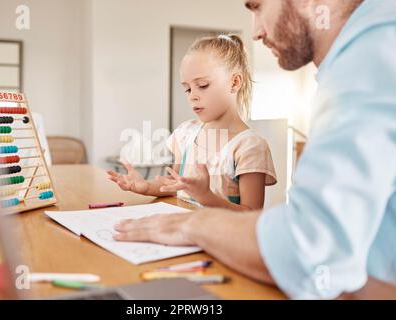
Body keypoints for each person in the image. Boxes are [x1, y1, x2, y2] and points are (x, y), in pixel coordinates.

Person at [112, 0, 396, 299]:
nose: (256, 32)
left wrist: (195, 222)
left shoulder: (372, 58)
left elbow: (306, 251)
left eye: (258, 6)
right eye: (187, 88)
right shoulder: (359, 59)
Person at [108, 34, 276, 211]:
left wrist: (206, 197)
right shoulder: (186, 133)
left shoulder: (249, 147)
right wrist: (145, 187)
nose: (192, 96)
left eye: (202, 85)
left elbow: (252, 215)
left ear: (234, 83)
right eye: (187, 88)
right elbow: (175, 185)